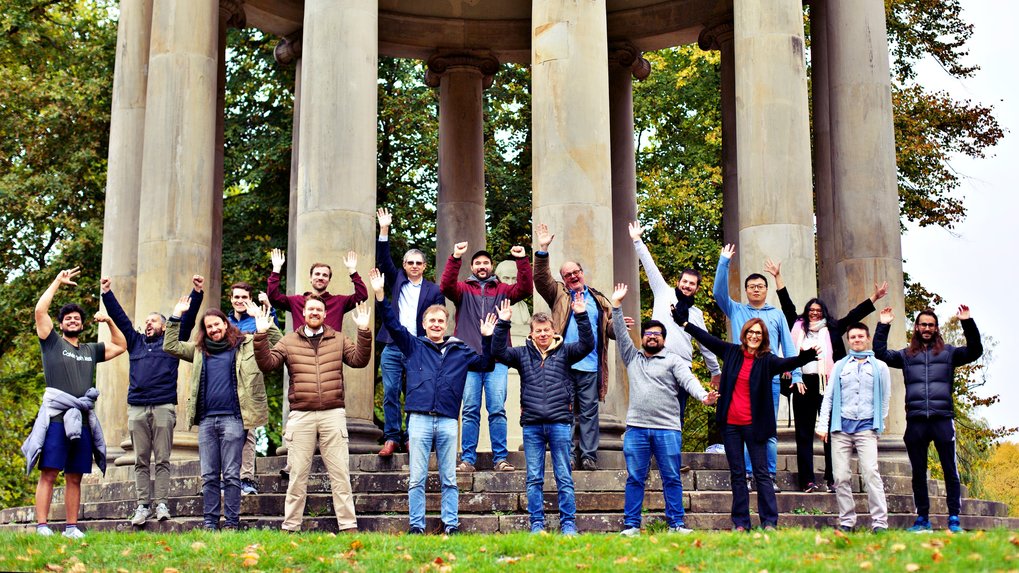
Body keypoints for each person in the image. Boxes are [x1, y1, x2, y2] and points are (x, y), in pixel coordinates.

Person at [372, 268, 496, 535]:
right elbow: (393, 324)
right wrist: (382, 297)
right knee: (417, 479)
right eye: (432, 321)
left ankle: (450, 525)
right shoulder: (413, 345)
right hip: (419, 421)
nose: (437, 324)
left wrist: (487, 338)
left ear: (446, 323)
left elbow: (486, 363)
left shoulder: (460, 350)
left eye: (441, 320)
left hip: (448, 422)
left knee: (449, 480)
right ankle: (416, 527)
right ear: (425, 324)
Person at [675, 301, 818, 531]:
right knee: (738, 475)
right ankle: (741, 523)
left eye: (758, 333)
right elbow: (707, 339)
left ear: (763, 338)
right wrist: (685, 324)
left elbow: (788, 362)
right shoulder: (731, 352)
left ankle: (769, 521)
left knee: (761, 474)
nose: (753, 336)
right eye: (750, 332)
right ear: (745, 334)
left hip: (755, 426)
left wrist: (805, 357)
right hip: (731, 425)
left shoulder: (767, 360)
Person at [764, 258, 888, 493]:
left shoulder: (832, 329)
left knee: (831, 432)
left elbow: (853, 316)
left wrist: (875, 298)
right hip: (802, 384)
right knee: (803, 433)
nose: (814, 314)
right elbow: (787, 304)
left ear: (823, 313)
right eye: (811, 310)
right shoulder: (797, 326)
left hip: (829, 385)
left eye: (818, 311)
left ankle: (832, 478)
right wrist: (777, 277)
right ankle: (807, 480)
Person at [253, 295, 372, 532]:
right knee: (297, 475)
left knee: (340, 474)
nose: (315, 312)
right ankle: (291, 526)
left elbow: (359, 360)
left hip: (333, 414)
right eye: (310, 309)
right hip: (301, 416)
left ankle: (348, 527)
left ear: (325, 314)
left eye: (319, 309)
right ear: (304, 313)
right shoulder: (288, 342)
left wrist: (364, 331)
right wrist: (261, 335)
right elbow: (267, 365)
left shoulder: (339, 339)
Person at [24, 267, 127, 539]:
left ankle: (71, 527)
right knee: (48, 472)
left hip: (81, 420)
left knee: (75, 476)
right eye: (67, 318)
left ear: (82, 324)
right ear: (61, 324)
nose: (72, 320)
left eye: (76, 318)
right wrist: (57, 281)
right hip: (56, 419)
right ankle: (42, 526)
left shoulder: (91, 350)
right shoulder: (52, 343)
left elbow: (121, 345)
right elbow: (39, 311)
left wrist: (108, 322)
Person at [611, 284, 719, 536]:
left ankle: (676, 525)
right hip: (637, 429)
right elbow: (619, 332)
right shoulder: (632, 357)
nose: (651, 336)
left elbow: (689, 381)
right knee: (635, 479)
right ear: (643, 337)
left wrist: (704, 396)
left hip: (667, 429)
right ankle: (631, 526)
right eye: (648, 333)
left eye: (656, 334)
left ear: (663, 338)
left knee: (671, 478)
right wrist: (616, 305)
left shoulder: (673, 360)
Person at [164, 299, 280, 530]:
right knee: (208, 474)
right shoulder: (198, 351)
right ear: (205, 331)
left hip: (234, 419)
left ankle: (232, 522)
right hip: (207, 420)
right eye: (209, 327)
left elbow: (277, 343)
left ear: (225, 324)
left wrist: (264, 322)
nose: (214, 329)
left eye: (217, 324)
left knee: (231, 475)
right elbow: (170, 346)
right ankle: (210, 521)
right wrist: (176, 316)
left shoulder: (245, 344)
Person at [100, 274, 203, 525]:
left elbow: (186, 321)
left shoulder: (171, 343)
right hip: (136, 408)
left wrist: (196, 293)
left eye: (153, 321)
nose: (148, 324)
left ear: (164, 325)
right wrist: (106, 294)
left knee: (163, 459)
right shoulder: (135, 343)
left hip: (163, 407)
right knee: (141, 460)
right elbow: (122, 319)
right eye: (146, 321)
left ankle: (162, 505)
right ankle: (143, 506)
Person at [873, 305, 982, 533]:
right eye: (923, 324)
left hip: (942, 419)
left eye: (931, 325)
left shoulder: (949, 353)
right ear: (916, 327)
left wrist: (967, 322)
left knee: (950, 470)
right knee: (918, 472)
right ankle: (922, 519)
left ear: (936, 328)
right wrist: (883, 325)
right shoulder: (906, 355)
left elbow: (974, 350)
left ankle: (953, 518)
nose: (927, 328)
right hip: (916, 421)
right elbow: (880, 354)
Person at [492, 295, 593, 536]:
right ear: (532, 333)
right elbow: (497, 351)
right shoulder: (521, 354)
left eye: (546, 330)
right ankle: (536, 524)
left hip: (559, 422)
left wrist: (581, 316)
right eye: (538, 331)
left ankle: (568, 524)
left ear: (553, 330)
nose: (543, 334)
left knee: (564, 476)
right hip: (532, 425)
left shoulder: (566, 352)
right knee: (534, 478)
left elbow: (587, 344)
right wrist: (503, 323)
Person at [712, 244, 801, 492]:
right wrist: (724, 262)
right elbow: (718, 293)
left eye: (760, 286)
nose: (755, 290)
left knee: (767, 428)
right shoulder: (737, 309)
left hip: (767, 377)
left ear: (766, 289)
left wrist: (797, 373)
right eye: (751, 287)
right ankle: (749, 475)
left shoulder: (776, 314)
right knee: (740, 427)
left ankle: (768, 476)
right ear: (746, 290)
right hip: (738, 377)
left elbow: (789, 346)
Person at [440, 240, 531, 473]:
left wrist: (522, 259)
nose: (482, 266)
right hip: (468, 360)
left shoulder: (502, 291)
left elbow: (526, 288)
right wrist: (455, 257)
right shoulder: (463, 290)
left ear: (491, 266)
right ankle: (468, 460)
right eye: (478, 263)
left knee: (497, 410)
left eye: (486, 263)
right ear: (472, 267)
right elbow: (446, 286)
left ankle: (500, 458)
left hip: (497, 359)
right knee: (470, 410)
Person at [182, 279, 276, 496]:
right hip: (226, 386)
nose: (240, 301)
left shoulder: (257, 317)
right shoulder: (223, 322)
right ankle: (226, 479)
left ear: (250, 299)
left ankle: (246, 478)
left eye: (244, 297)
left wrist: (265, 312)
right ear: (231, 300)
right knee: (226, 438)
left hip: (248, 385)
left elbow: (273, 339)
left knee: (248, 435)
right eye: (237, 297)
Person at [534, 224, 615, 471]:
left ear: (582, 272)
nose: (572, 276)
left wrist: (620, 324)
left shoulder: (599, 299)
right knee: (565, 412)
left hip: (590, 365)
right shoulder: (559, 293)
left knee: (590, 413)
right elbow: (540, 279)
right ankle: (567, 455)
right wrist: (543, 249)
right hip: (563, 363)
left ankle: (588, 456)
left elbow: (609, 330)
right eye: (567, 274)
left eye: (575, 272)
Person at [628, 221, 721, 420]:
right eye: (684, 282)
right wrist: (637, 240)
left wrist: (715, 371)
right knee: (650, 410)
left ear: (696, 288)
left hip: (682, 366)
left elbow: (705, 343)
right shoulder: (663, 293)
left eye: (692, 284)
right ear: (678, 282)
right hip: (655, 361)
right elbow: (650, 266)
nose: (687, 286)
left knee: (676, 415)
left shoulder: (695, 314)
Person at [375, 208, 446, 457]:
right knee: (391, 390)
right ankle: (392, 437)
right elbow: (383, 260)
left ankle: (410, 437)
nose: (414, 266)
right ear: (404, 266)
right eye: (410, 263)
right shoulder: (396, 281)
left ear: (424, 266)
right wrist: (384, 229)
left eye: (418, 263)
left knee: (416, 392)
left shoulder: (434, 290)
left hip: (419, 347)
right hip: (393, 344)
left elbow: (440, 317)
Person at [816, 323, 891, 533]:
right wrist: (823, 425)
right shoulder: (840, 365)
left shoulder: (880, 367)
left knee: (870, 473)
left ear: (867, 338)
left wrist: (879, 423)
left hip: (866, 427)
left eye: (860, 336)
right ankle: (847, 521)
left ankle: (879, 523)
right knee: (840, 477)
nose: (857, 340)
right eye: (853, 337)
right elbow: (828, 397)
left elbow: (885, 398)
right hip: (841, 428)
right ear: (849, 340)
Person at [266, 248, 368, 330]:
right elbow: (273, 297)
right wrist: (276, 269)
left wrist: (352, 270)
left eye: (325, 275)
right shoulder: (296, 301)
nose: (320, 277)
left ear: (329, 280)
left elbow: (362, 295)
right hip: (302, 352)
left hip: (330, 352)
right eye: (317, 274)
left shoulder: (339, 302)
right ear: (310, 278)